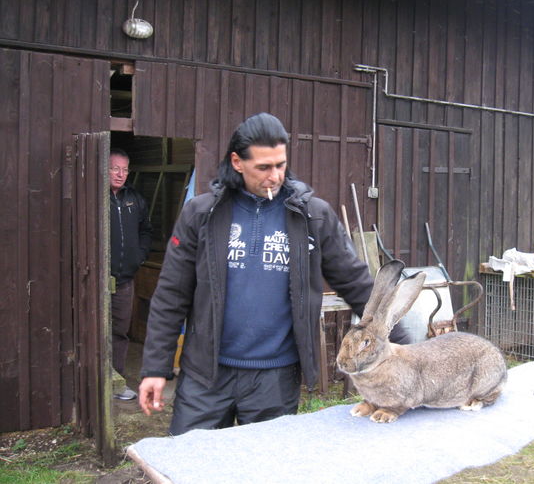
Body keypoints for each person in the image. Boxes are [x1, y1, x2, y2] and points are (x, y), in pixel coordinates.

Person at [138, 112, 407, 434]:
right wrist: (156, 367)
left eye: (280, 165)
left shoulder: (312, 216)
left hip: (275, 379)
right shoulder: (201, 213)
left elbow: (359, 286)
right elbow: (171, 293)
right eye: (263, 167)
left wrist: (408, 354)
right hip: (205, 375)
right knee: (191, 464)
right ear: (237, 162)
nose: (275, 176)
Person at [109, 148, 152, 400]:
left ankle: (117, 382)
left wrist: (140, 255)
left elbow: (146, 228)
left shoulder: (134, 199)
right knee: (92, 332)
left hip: (125, 279)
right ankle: (92, 383)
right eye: (115, 168)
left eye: (124, 169)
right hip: (97, 279)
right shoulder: (95, 197)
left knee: (119, 331)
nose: (120, 174)